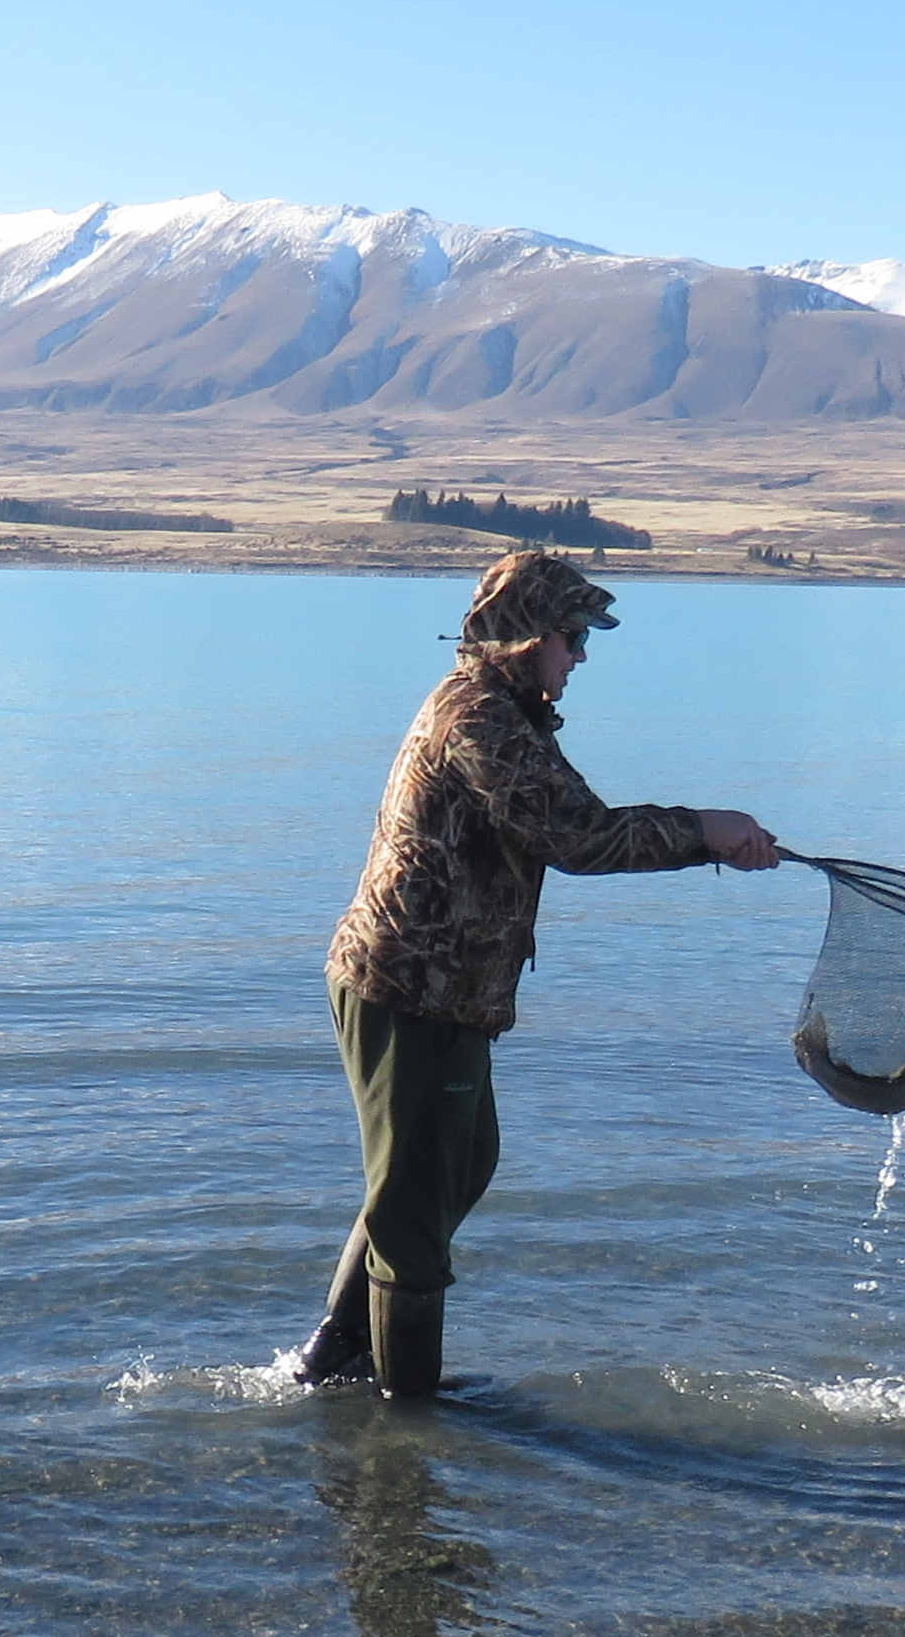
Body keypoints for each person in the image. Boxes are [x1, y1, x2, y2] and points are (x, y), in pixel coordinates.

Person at [298, 546, 777, 1394]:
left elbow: (569, 829)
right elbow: (580, 837)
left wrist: (707, 836)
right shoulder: (481, 723)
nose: (583, 654)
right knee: (415, 1205)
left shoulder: (505, 714)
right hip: (411, 991)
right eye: (573, 636)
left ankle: (335, 1351)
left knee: (460, 1163)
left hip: (449, 994)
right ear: (526, 639)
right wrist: (705, 829)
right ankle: (407, 1423)